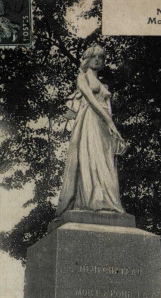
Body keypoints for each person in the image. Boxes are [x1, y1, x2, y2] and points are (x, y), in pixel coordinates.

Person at [56, 44, 127, 217]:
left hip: (103, 124)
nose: (97, 59)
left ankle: (107, 201)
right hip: (90, 120)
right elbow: (92, 101)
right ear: (87, 59)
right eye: (94, 56)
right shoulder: (83, 77)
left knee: (105, 160)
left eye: (100, 57)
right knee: (91, 158)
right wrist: (112, 124)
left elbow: (106, 107)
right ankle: (92, 200)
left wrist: (110, 128)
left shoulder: (103, 84)